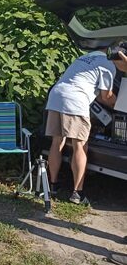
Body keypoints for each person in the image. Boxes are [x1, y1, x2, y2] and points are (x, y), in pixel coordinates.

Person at [45, 47, 127, 205]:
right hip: (75, 101)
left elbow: (97, 94)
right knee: (80, 145)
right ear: (122, 58)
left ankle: (52, 186)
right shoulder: (108, 65)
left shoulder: (85, 58)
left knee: (57, 142)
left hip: (56, 97)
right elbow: (106, 97)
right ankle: (77, 194)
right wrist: (121, 105)